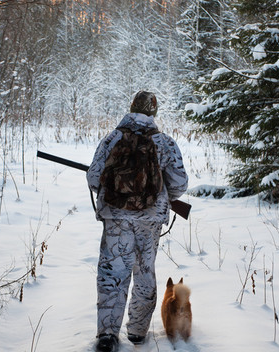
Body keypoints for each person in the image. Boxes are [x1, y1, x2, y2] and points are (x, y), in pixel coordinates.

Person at [86, 91, 189, 352]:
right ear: (153, 113)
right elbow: (180, 183)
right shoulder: (164, 142)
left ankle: (108, 335)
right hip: (150, 220)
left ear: (131, 108)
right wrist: (160, 197)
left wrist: (117, 192)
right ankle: (137, 333)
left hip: (116, 218)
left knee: (112, 274)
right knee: (144, 272)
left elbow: (93, 177)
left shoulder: (112, 139)